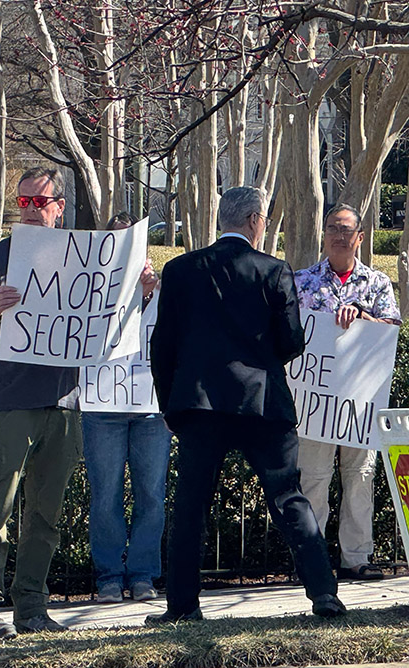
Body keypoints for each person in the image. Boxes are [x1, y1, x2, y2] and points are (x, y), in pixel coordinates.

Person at [148, 186, 345, 624]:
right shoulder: (274, 271)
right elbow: (292, 342)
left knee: (191, 507)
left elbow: (162, 346)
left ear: (222, 218)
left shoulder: (180, 270)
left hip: (200, 406)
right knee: (289, 499)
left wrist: (170, 405)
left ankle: (182, 606)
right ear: (256, 221)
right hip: (262, 403)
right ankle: (324, 596)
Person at [0, 166, 83, 640]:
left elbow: (112, 323)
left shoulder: (83, 258)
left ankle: (31, 605)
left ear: (59, 207)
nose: (30, 210)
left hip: (66, 403)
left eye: (40, 201)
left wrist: (143, 290)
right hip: (11, 402)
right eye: (23, 201)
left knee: (45, 516)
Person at [294, 204, 402, 580]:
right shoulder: (301, 282)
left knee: (360, 477)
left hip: (359, 405)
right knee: (313, 479)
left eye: (345, 230)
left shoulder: (377, 284)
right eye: (332, 229)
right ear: (324, 235)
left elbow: (391, 330)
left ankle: (357, 557)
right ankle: (311, 560)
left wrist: (363, 318)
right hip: (316, 405)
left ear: (359, 237)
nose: (338, 236)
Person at [81, 212, 170, 605]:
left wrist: (150, 294)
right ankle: (109, 577)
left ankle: (143, 575)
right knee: (105, 495)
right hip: (102, 407)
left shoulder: (161, 287)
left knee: (151, 494)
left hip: (151, 407)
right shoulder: (86, 288)